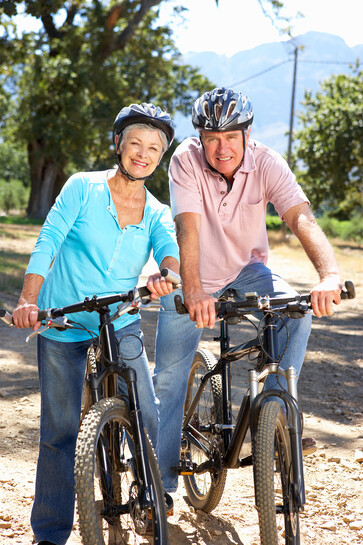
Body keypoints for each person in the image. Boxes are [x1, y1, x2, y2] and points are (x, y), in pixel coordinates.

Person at [153, 87, 342, 496]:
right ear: (200, 138)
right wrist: (195, 290)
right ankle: (161, 488)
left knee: (297, 311)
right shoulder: (185, 160)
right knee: (168, 379)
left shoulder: (268, 162)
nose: (221, 149)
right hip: (194, 275)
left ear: (247, 134)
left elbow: (300, 218)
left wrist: (328, 275)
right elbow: (187, 228)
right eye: (211, 139)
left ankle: (274, 419)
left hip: (247, 271)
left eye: (230, 138)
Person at [12, 103, 179, 545]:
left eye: (154, 149)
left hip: (120, 316)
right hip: (62, 318)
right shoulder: (82, 187)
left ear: (160, 157)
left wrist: (167, 274)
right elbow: (49, 239)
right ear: (119, 145)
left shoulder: (158, 210)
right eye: (135, 144)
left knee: (146, 405)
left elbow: (169, 251)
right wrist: (29, 299)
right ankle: (49, 534)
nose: (143, 154)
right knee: (61, 431)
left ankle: (150, 491)